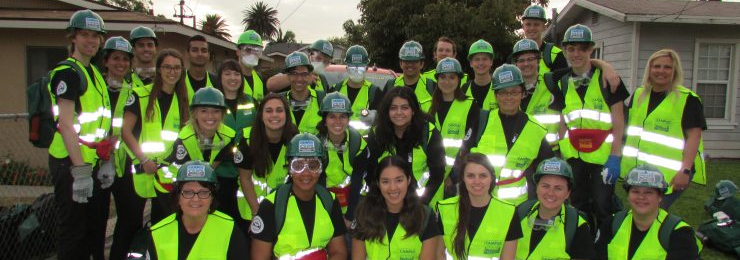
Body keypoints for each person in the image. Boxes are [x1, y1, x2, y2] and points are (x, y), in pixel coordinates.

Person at [549, 24, 629, 234]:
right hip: (575, 156)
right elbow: (562, 120)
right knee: (578, 203)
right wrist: (560, 151)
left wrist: (616, 156)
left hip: (603, 157)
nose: (576, 54)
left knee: (603, 204)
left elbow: (619, 120)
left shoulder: (608, 79)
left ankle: (605, 242)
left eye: (581, 49)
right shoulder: (562, 81)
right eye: (571, 49)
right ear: (565, 50)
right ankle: (585, 240)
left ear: (590, 49)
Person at [47, 9, 111, 260]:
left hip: (91, 161)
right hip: (70, 163)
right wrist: (80, 171)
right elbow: (65, 123)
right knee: (73, 232)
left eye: (96, 35)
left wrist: (105, 159)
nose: (91, 40)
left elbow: (100, 123)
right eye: (85, 34)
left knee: (94, 230)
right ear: (73, 37)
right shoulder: (68, 72)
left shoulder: (93, 73)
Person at [621, 49, 707, 209]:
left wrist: (685, 171)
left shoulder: (687, 99)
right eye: (657, 66)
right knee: (640, 213)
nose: (661, 71)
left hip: (671, 173)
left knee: (655, 213)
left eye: (667, 67)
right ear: (649, 69)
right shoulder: (639, 94)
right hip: (640, 170)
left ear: (675, 71)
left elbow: (694, 137)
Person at [250, 133, 348, 260]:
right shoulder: (271, 206)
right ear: (289, 169)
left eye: (313, 166)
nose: (306, 173)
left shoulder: (329, 201)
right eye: (298, 166)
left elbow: (339, 252)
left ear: (321, 169)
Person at [122, 49, 191, 224]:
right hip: (140, 168)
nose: (172, 72)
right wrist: (143, 160)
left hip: (166, 173)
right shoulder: (140, 95)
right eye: (167, 67)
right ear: (159, 69)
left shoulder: (182, 100)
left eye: (176, 68)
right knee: (129, 224)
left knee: (162, 222)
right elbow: (125, 131)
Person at [468, 64, 553, 204]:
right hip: (480, 201)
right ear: (496, 96)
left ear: (523, 93)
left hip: (517, 208)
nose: (508, 97)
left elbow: (546, 171)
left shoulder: (536, 129)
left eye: (514, 92)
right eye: (503, 92)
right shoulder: (481, 121)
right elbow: (464, 157)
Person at [160, 88, 238, 220]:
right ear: (194, 114)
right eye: (204, 111)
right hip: (170, 187)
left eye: (216, 111)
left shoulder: (228, 136)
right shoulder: (184, 139)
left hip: (199, 185)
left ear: (223, 114)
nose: (210, 116)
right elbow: (189, 178)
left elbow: (215, 162)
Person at [144, 160, 249, 259]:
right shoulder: (158, 233)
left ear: (212, 197)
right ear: (178, 197)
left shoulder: (229, 229)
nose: (195, 199)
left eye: (203, 192)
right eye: (188, 192)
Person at [597, 165, 702, 259]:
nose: (641, 197)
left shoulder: (680, 233)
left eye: (649, 192)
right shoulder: (612, 223)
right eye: (635, 191)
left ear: (660, 197)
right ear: (628, 195)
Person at [367, 87, 446, 206]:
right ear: (387, 111)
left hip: (423, 204)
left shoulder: (429, 133)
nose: (399, 112)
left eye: (405, 107)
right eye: (393, 108)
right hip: (387, 205)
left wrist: (421, 204)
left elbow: (438, 174)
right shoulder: (377, 135)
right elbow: (371, 173)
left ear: (413, 110)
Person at [352, 155, 441, 259]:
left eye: (399, 180)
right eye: (385, 181)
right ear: (378, 183)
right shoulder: (364, 213)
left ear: (408, 180)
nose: (393, 188)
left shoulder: (425, 215)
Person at [436, 153, 522, 259]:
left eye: (483, 176)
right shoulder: (444, 209)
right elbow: (439, 254)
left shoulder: (509, 212)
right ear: (463, 178)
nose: (477, 181)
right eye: (471, 176)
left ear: (491, 178)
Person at [235, 93, 298, 236]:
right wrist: (257, 213)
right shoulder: (247, 139)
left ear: (286, 115)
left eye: (279, 110)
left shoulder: (295, 139)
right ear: (261, 115)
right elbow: (245, 179)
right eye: (268, 111)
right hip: (252, 211)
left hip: (286, 210)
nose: (274, 115)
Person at [101, 36, 140, 260]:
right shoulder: (95, 88)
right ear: (106, 61)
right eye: (115, 58)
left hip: (124, 164)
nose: (120, 63)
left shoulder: (132, 91)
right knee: (95, 221)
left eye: (125, 59)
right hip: (94, 161)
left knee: (130, 218)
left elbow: (128, 129)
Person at [515, 157, 595, 260]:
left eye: (558, 188)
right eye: (545, 186)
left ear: (568, 193)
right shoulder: (520, 213)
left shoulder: (577, 226)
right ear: (536, 188)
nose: (550, 193)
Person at [213, 59, 257, 223]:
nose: (233, 78)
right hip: (220, 173)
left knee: (242, 221)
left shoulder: (251, 102)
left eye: (237, 74)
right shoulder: (213, 102)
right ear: (220, 78)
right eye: (228, 73)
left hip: (245, 173)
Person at [428, 57, 480, 196]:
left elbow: (468, 145)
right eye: (443, 77)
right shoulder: (425, 105)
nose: (447, 82)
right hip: (428, 176)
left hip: (454, 180)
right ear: (437, 79)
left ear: (459, 80)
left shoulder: (469, 105)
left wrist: (453, 177)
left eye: (452, 77)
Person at [317, 92, 368, 221]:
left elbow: (357, 181)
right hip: (326, 204)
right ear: (325, 120)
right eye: (332, 116)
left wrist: (349, 217)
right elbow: (319, 183)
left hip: (355, 202)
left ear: (348, 119)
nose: (338, 122)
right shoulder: (316, 145)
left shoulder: (358, 143)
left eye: (343, 116)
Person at [512, 38, 562, 148]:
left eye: (530, 59)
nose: (526, 63)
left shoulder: (552, 82)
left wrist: (603, 66)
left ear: (538, 61)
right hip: (520, 155)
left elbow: (579, 68)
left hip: (550, 154)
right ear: (515, 64)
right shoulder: (509, 90)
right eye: (521, 60)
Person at [331, 45, 384, 134]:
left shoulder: (375, 92)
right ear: (347, 68)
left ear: (366, 69)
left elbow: (382, 122)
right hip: (339, 144)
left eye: (360, 67)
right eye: (352, 67)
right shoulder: (335, 90)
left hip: (365, 145)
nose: (356, 70)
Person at [384, 40, 437, 112]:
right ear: (401, 63)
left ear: (421, 64)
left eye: (414, 61)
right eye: (406, 61)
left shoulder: (432, 86)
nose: (410, 64)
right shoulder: (390, 85)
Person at [282, 51, 325, 134]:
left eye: (304, 74)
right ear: (288, 76)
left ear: (310, 75)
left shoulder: (322, 100)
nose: (299, 79)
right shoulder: (280, 101)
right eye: (294, 73)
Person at [267, 40, 332, 93]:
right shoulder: (294, 69)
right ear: (310, 55)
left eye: (326, 61)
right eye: (318, 58)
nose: (322, 63)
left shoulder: (323, 80)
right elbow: (270, 85)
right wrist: (300, 77)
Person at [521, 5, 568, 77]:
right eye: (528, 24)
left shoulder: (556, 55)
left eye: (536, 24)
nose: (532, 28)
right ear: (523, 27)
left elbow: (564, 85)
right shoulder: (514, 56)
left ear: (544, 27)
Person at [461, 39, 498, 111]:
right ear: (471, 63)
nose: (481, 63)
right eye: (477, 59)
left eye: (484, 59)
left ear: (491, 62)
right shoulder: (464, 90)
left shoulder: (499, 88)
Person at [234, 30, 267, 101]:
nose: (252, 54)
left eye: (257, 50)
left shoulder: (260, 79)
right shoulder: (229, 78)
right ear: (238, 52)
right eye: (248, 50)